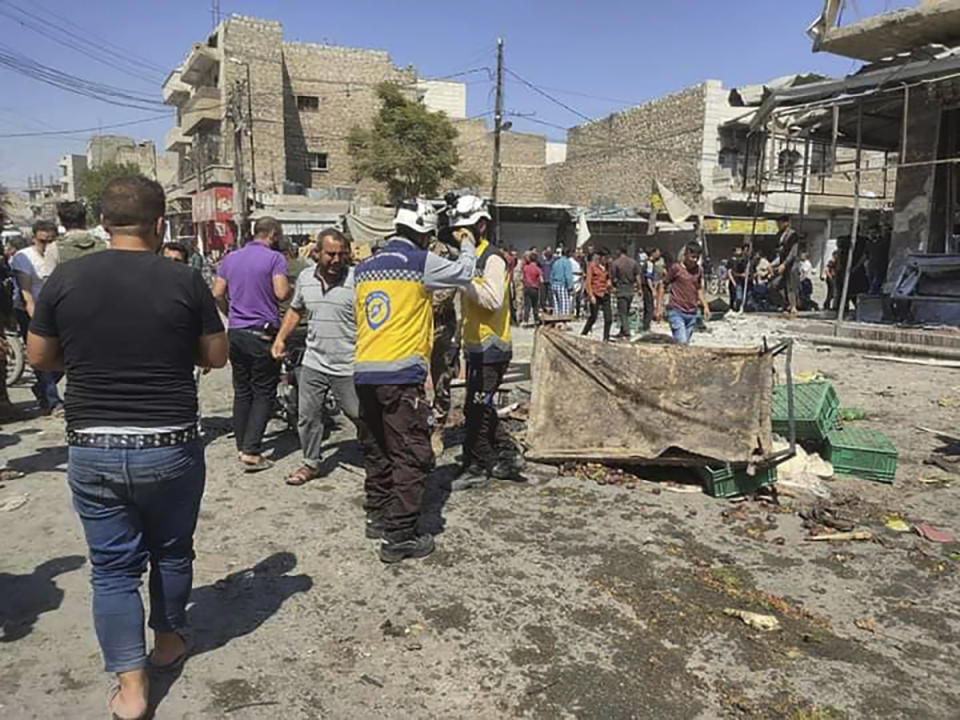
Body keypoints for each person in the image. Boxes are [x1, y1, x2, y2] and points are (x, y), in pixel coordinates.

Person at [27, 175, 227, 720]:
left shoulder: (66, 277)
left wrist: (91, 363)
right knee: (171, 550)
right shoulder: (184, 280)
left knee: (112, 569)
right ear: (160, 223)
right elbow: (215, 356)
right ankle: (168, 642)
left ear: (103, 223)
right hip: (170, 443)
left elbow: (39, 355)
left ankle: (132, 690)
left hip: (92, 445)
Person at [353, 199, 476, 563]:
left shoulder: (364, 267)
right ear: (424, 233)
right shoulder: (418, 262)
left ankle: (377, 513)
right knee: (412, 453)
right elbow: (465, 273)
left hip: (364, 370)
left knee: (377, 447)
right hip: (399, 374)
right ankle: (399, 535)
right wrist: (466, 241)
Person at [271, 228, 359, 486]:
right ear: (317, 253)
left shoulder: (358, 280)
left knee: (357, 413)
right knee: (307, 414)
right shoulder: (306, 278)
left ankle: (377, 453)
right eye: (330, 254)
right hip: (314, 361)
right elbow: (296, 310)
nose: (336, 260)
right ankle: (311, 462)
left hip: (348, 363)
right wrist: (280, 338)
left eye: (341, 254)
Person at [451, 195, 522, 491]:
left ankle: (478, 465)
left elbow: (491, 300)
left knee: (476, 409)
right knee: (482, 405)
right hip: (476, 349)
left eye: (465, 228)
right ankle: (507, 453)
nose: (459, 234)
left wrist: (464, 279)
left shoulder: (490, 258)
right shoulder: (469, 256)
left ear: (480, 225)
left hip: (492, 350)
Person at [212, 217, 290, 473]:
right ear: (274, 235)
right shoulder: (275, 259)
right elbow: (280, 293)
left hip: (236, 332)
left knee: (242, 389)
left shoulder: (231, 258)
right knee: (264, 391)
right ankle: (252, 451)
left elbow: (217, 293)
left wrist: (230, 313)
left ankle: (242, 444)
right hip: (262, 333)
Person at [11, 219, 63, 415]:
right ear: (34, 238)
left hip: (53, 310)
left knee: (61, 356)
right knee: (42, 356)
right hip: (29, 311)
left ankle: (41, 389)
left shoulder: (56, 254)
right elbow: (26, 295)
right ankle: (53, 401)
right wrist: (37, 323)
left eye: (51, 241)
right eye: (43, 241)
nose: (47, 245)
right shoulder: (23, 258)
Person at [427, 232, 460, 457]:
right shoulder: (405, 253)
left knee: (441, 381)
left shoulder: (448, 254)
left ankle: (437, 430)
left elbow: (449, 290)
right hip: (409, 326)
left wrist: (419, 300)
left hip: (440, 328)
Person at [658, 241, 710, 344]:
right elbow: (663, 285)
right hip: (676, 310)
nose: (694, 260)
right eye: (692, 257)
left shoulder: (698, 270)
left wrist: (705, 306)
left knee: (685, 343)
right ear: (686, 255)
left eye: (697, 258)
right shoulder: (676, 268)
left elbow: (698, 288)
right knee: (681, 341)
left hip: (691, 313)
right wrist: (659, 307)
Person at [581, 247, 613, 341]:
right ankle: (584, 333)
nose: (606, 260)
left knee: (608, 318)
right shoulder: (592, 266)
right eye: (605, 258)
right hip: (595, 293)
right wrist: (591, 295)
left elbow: (608, 278)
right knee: (593, 316)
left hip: (605, 293)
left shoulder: (608, 267)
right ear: (601, 257)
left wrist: (609, 282)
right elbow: (588, 282)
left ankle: (606, 338)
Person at [610, 245, 641, 339]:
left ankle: (626, 333)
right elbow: (638, 277)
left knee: (622, 312)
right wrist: (639, 289)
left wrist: (613, 287)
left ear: (619, 251)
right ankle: (622, 331)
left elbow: (612, 278)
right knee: (626, 311)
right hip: (631, 290)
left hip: (621, 289)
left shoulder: (616, 263)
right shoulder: (633, 262)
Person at [774, 215, 800, 314]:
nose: (778, 225)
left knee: (791, 285)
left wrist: (784, 264)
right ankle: (785, 303)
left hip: (791, 264)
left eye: (780, 223)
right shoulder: (780, 235)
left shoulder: (792, 235)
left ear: (786, 223)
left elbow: (793, 252)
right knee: (776, 285)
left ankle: (793, 305)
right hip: (782, 262)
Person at [550, 246, 574, 317]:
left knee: (556, 305)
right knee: (564, 304)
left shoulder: (556, 262)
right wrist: (570, 287)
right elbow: (568, 276)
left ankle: (556, 319)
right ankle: (563, 320)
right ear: (568, 253)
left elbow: (551, 274)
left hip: (554, 284)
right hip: (562, 284)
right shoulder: (567, 262)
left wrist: (552, 284)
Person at [642, 247, 661, 332]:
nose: (659, 254)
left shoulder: (650, 263)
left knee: (648, 307)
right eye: (657, 252)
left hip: (647, 288)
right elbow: (648, 278)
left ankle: (646, 325)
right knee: (649, 308)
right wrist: (652, 289)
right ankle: (646, 327)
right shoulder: (649, 264)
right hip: (647, 288)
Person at [521, 251, 542, 325]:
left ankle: (525, 320)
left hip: (526, 287)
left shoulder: (525, 267)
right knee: (535, 305)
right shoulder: (538, 269)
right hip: (534, 288)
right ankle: (536, 320)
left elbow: (522, 277)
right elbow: (541, 280)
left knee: (527, 305)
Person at [726, 244, 748, 312]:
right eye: (738, 250)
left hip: (741, 281)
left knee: (739, 297)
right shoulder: (731, 261)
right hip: (734, 281)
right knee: (733, 297)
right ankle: (732, 308)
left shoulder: (743, 261)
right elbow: (729, 272)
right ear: (734, 252)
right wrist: (733, 281)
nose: (740, 251)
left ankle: (738, 309)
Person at [538, 245, 554, 313]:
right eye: (547, 250)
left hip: (550, 279)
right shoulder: (541, 260)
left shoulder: (552, 260)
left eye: (550, 251)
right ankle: (542, 307)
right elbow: (539, 266)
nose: (548, 252)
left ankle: (551, 307)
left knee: (550, 295)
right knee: (543, 295)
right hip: (543, 279)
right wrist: (543, 256)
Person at [572, 248, 586, 318]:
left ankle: (578, 313)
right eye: (577, 253)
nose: (578, 255)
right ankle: (572, 312)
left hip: (580, 281)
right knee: (573, 298)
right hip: (574, 280)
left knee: (579, 298)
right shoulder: (571, 261)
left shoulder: (581, 262)